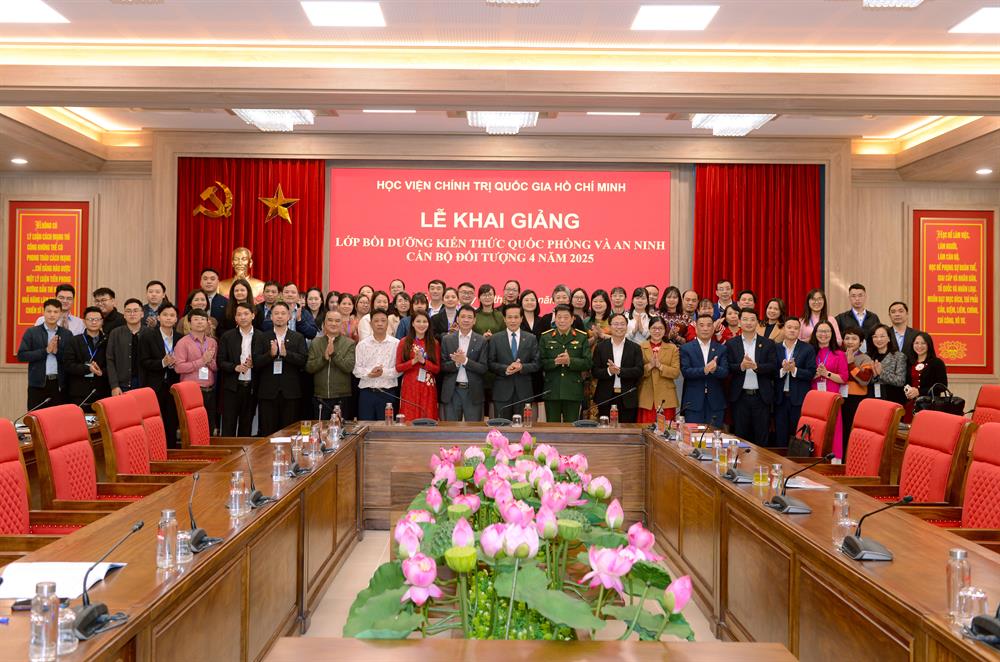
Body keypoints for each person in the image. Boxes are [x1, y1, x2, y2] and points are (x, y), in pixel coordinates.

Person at [253, 302, 309, 435]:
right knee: (268, 432)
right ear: (271, 316)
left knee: (289, 432)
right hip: (268, 392)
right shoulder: (262, 337)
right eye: (276, 313)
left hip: (290, 392)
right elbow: (256, 362)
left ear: (289, 316)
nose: (279, 316)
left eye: (283, 313)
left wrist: (286, 354)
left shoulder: (298, 337)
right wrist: (270, 355)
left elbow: (303, 361)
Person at [726, 308, 778, 446]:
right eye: (745, 319)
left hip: (761, 397)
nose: (748, 322)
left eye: (752, 319)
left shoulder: (768, 343)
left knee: (762, 438)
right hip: (740, 397)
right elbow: (728, 367)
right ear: (739, 322)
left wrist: (756, 367)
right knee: (740, 437)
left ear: (757, 323)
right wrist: (741, 366)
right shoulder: (731, 344)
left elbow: (773, 366)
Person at [138, 303, 183, 446]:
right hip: (154, 386)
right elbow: (143, 361)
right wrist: (163, 362)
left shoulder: (180, 338)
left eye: (172, 315)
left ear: (176, 319)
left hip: (173, 386)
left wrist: (176, 364)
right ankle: (155, 451)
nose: (168, 318)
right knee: (153, 422)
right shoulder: (148, 336)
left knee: (171, 421)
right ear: (158, 317)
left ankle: (171, 451)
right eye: (165, 315)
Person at [218, 302, 265, 437]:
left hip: (251, 388)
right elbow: (220, 361)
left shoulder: (261, 336)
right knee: (228, 425)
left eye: (246, 314)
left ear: (253, 315)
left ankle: (244, 451)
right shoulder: (227, 336)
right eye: (239, 314)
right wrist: (235, 367)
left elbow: (265, 361)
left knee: (246, 426)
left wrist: (255, 363)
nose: (243, 317)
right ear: (235, 318)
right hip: (232, 388)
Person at [539, 304, 592, 422]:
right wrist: (555, 362)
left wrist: (570, 361)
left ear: (572, 319)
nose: (562, 320)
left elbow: (588, 362)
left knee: (571, 428)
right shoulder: (546, 337)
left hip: (573, 390)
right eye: (559, 317)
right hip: (552, 390)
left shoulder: (581, 337)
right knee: (552, 427)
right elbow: (540, 362)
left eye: (566, 317)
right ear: (555, 319)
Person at [18, 298, 74, 409]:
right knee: (35, 417)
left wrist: (57, 352)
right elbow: (22, 356)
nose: (52, 315)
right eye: (49, 311)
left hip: (59, 385)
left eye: (56, 312)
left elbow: (70, 359)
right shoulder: (32, 332)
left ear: (60, 314)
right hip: (37, 385)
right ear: (43, 312)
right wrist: (46, 351)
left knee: (58, 417)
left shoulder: (67, 334)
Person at [488, 303, 540, 420]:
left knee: (523, 427)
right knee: (502, 426)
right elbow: (490, 363)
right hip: (501, 392)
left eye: (516, 317)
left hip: (524, 392)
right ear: (504, 319)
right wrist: (505, 368)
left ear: (521, 319)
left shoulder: (531, 338)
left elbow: (537, 364)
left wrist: (522, 367)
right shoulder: (495, 338)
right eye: (509, 317)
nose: (513, 321)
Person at [772, 318, 816, 448]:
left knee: (797, 435)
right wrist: (783, 370)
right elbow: (770, 372)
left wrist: (794, 370)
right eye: (789, 327)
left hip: (799, 399)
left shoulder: (807, 349)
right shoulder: (776, 348)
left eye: (796, 328)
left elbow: (811, 373)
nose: (792, 330)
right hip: (780, 399)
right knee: (780, 436)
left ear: (799, 331)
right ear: (784, 329)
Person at [680, 314, 730, 428]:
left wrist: (715, 369)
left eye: (709, 325)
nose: (705, 328)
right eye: (701, 325)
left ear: (713, 328)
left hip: (715, 403)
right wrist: (704, 370)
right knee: (694, 436)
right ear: (696, 328)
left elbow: (725, 372)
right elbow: (685, 371)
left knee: (714, 435)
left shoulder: (721, 348)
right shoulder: (686, 348)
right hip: (693, 403)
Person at [592, 313, 643, 422]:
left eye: (622, 324)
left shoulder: (635, 348)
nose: (619, 327)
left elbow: (639, 371)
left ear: (626, 327)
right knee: (605, 430)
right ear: (610, 326)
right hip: (605, 397)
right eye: (616, 324)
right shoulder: (600, 347)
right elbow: (594, 371)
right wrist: (609, 371)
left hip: (628, 397)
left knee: (627, 430)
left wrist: (620, 371)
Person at [440, 306, 488, 422]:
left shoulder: (481, 340)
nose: (466, 320)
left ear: (474, 320)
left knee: (474, 430)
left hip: (473, 392)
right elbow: (442, 366)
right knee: (450, 428)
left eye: (470, 317)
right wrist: (456, 363)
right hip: (452, 392)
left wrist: (465, 361)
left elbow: (483, 368)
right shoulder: (447, 339)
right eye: (463, 317)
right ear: (457, 319)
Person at [307, 309, 356, 420]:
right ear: (324, 323)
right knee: (321, 428)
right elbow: (309, 367)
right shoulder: (316, 342)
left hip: (342, 396)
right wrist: (323, 358)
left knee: (342, 429)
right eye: (330, 320)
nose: (333, 323)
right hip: (320, 396)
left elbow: (348, 367)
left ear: (341, 324)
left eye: (337, 321)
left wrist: (333, 354)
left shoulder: (349, 343)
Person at [173, 308, 219, 426]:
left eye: (203, 319)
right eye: (196, 319)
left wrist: (209, 361)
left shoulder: (212, 342)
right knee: (192, 427)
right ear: (189, 323)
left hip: (209, 390)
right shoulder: (183, 343)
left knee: (209, 426)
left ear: (207, 322)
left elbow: (216, 367)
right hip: (191, 391)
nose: (200, 322)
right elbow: (178, 367)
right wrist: (202, 361)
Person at [810, 320, 849, 457]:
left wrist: (826, 373)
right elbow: (804, 375)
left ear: (832, 334)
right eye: (820, 331)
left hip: (832, 397)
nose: (824, 334)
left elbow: (844, 378)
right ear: (815, 333)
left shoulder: (839, 354)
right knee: (815, 429)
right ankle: (814, 459)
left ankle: (834, 460)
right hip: (814, 397)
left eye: (827, 331)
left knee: (834, 428)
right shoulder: (810, 352)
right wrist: (816, 374)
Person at [352, 309, 400, 420]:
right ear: (370, 324)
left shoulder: (396, 344)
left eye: (383, 321)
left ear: (387, 323)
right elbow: (356, 370)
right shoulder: (362, 345)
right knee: (365, 426)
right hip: (367, 393)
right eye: (376, 321)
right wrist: (370, 373)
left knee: (386, 427)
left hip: (388, 393)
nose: (380, 324)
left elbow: (399, 369)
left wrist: (383, 372)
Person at [394, 311, 441, 421]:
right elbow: (398, 367)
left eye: (425, 321)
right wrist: (413, 361)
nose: (421, 324)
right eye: (418, 321)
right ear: (412, 323)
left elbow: (437, 369)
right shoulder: (404, 342)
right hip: (409, 385)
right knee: (409, 416)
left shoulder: (434, 343)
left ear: (429, 324)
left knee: (428, 417)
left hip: (427, 386)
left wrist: (424, 362)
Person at [64, 305, 110, 410]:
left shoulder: (108, 340)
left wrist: (102, 372)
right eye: (90, 319)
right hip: (79, 393)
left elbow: (114, 365)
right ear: (84, 321)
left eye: (97, 319)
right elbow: (68, 365)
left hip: (103, 392)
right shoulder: (74, 341)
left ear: (102, 321)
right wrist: (87, 368)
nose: (94, 322)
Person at [637, 317, 680, 423]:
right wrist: (650, 366)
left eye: (660, 328)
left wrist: (660, 366)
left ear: (665, 330)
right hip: (647, 396)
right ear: (649, 329)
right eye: (654, 328)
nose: (657, 331)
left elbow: (676, 373)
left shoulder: (672, 348)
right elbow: (637, 372)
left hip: (666, 396)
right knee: (645, 429)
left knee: (665, 430)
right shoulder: (640, 347)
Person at [903, 331, 947, 423]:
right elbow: (905, 382)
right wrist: (908, 391)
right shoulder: (909, 362)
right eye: (916, 343)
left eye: (923, 343)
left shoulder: (937, 363)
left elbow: (942, 386)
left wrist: (919, 391)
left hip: (929, 406)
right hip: (910, 406)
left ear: (929, 345)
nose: (919, 346)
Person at [842, 326, 874, 446]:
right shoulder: (839, 355)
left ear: (861, 342)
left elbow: (865, 380)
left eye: (854, 339)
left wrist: (851, 364)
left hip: (856, 399)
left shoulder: (865, 358)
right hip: (840, 397)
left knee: (851, 430)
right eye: (847, 338)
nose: (850, 341)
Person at [106, 298, 146, 395]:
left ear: (142, 314)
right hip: (122, 385)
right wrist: (114, 385)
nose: (132, 314)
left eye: (135, 311)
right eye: (128, 311)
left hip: (145, 384)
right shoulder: (115, 333)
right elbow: (110, 360)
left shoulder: (150, 333)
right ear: (124, 315)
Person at [868, 324, 907, 405]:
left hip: (892, 399)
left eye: (882, 336)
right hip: (872, 398)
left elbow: (900, 381)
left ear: (889, 338)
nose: (879, 339)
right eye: (875, 336)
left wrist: (881, 373)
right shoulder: (868, 356)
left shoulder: (899, 356)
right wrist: (873, 376)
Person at [835, 284, 880, 351]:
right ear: (849, 298)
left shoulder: (874, 317)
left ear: (865, 297)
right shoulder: (841, 318)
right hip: (848, 355)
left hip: (870, 355)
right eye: (853, 296)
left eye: (860, 295)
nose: (857, 299)